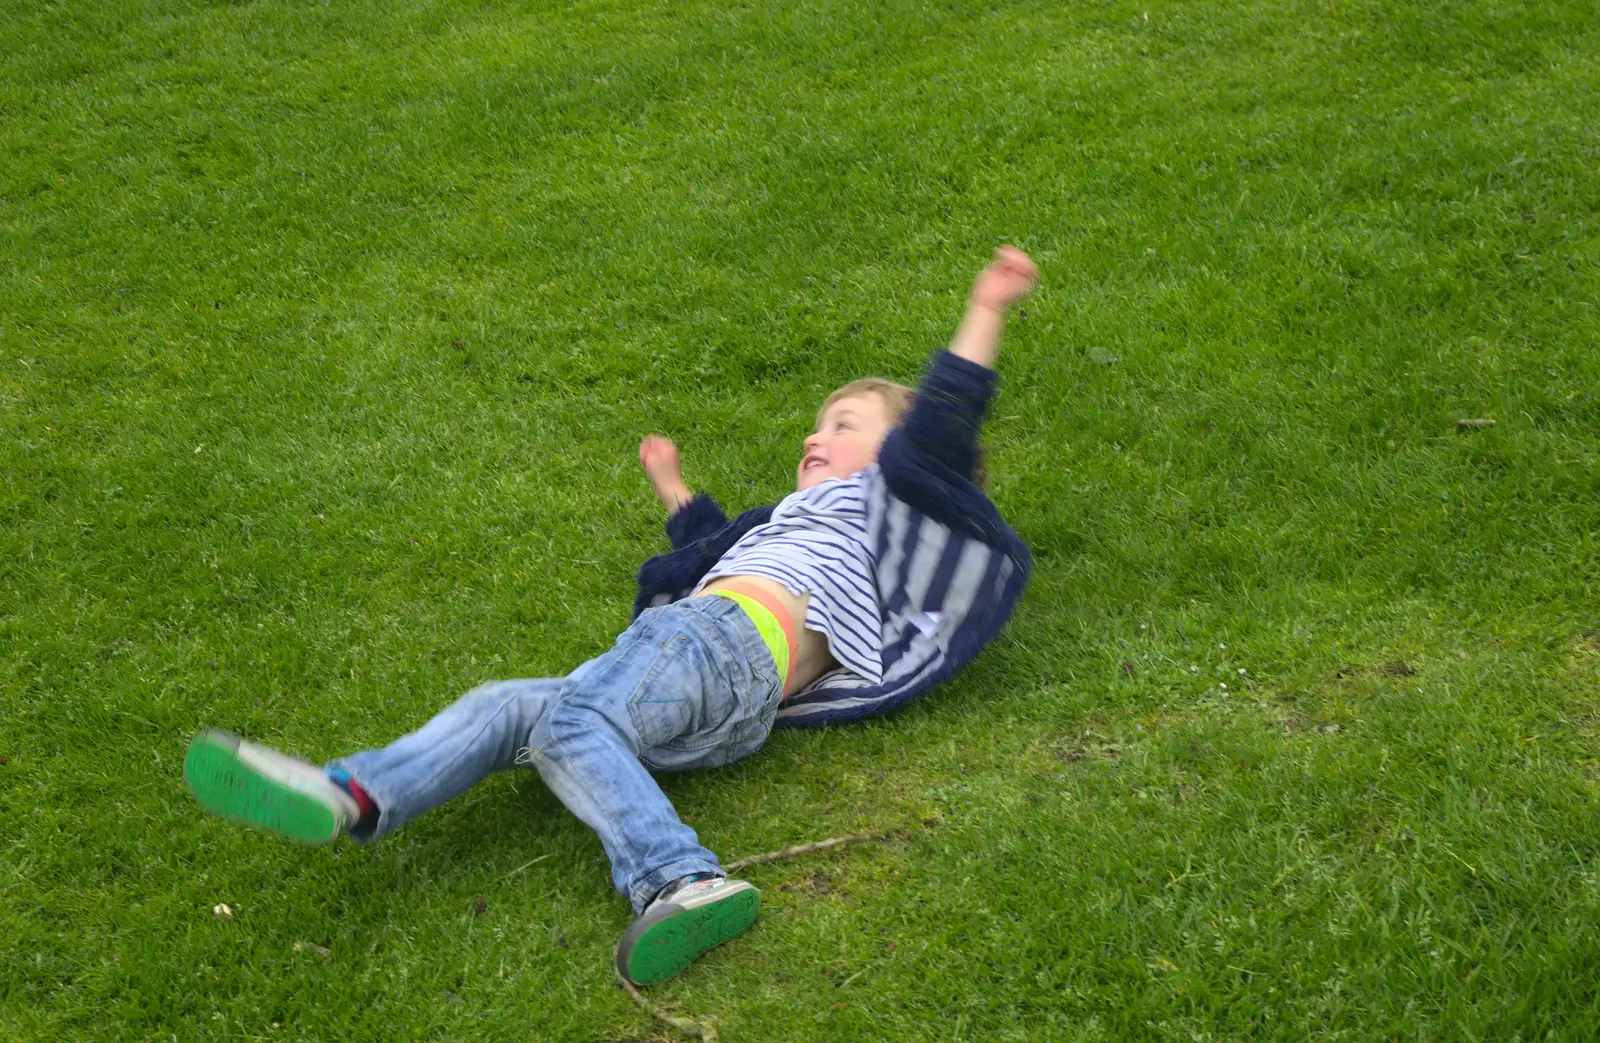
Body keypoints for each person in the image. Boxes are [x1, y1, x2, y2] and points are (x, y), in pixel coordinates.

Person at [183, 247, 1038, 986]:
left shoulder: (886, 497)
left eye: (842, 423)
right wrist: (673, 488)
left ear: (893, 450)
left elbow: (942, 418)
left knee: (572, 718)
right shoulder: (789, 519)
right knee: (509, 706)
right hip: (725, 697)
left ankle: (678, 877)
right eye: (814, 425)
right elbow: (713, 544)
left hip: (724, 644)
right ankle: (356, 792)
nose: (815, 437)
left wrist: (985, 306)